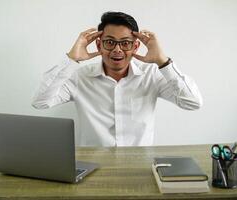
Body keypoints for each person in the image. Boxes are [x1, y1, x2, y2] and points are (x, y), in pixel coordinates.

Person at [32, 11, 203, 146]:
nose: (117, 50)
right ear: (99, 45)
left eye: (125, 43)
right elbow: (40, 102)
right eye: (110, 42)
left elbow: (193, 103)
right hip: (92, 168)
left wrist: (163, 62)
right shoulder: (79, 77)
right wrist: (71, 59)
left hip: (140, 167)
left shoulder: (152, 75)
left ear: (136, 46)